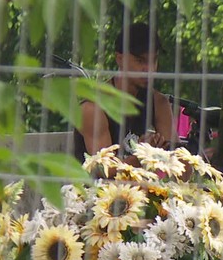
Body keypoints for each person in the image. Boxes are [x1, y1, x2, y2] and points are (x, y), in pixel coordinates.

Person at [73, 22, 175, 163]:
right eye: (140, 60)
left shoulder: (158, 102)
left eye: (154, 60)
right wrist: (144, 155)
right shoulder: (93, 108)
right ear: (119, 59)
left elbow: (180, 167)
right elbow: (106, 170)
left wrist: (194, 157)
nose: (149, 69)